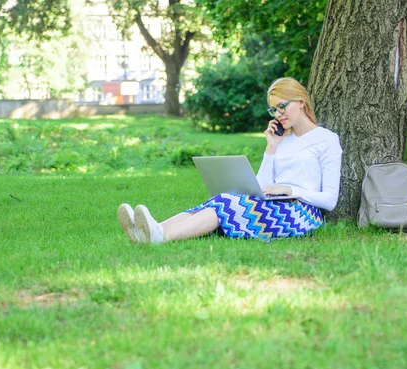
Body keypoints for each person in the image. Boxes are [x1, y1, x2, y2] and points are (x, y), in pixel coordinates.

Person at [117, 77, 343, 244]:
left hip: (304, 213)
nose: (278, 114)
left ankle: (162, 237)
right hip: (276, 204)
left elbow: (330, 200)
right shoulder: (281, 139)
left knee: (226, 204)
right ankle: (149, 231)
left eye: (282, 106)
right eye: (274, 110)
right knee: (220, 199)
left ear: (301, 102)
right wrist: (271, 148)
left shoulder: (326, 140)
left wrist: (290, 189)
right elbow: (261, 186)